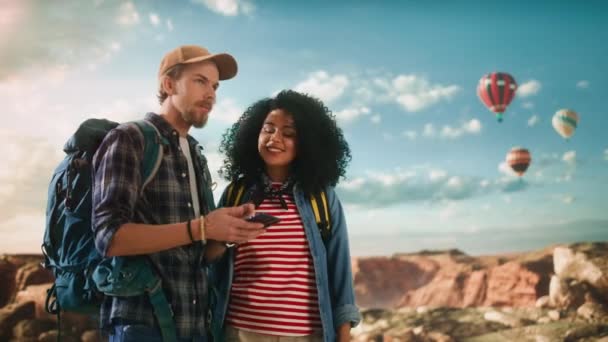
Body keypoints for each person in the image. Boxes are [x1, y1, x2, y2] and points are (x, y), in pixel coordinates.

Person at [92, 45, 266, 341]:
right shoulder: (130, 138)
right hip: (143, 326)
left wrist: (226, 235)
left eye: (215, 86)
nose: (211, 94)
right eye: (200, 81)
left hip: (196, 326)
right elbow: (109, 238)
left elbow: (200, 253)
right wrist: (202, 227)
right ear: (169, 84)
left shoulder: (196, 154)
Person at [208, 90, 361, 342]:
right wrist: (225, 236)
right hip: (238, 334)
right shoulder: (236, 193)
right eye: (268, 129)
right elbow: (209, 259)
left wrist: (343, 335)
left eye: (288, 133)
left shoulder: (321, 197)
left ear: (307, 143)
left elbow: (340, 271)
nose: (274, 138)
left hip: (305, 336)